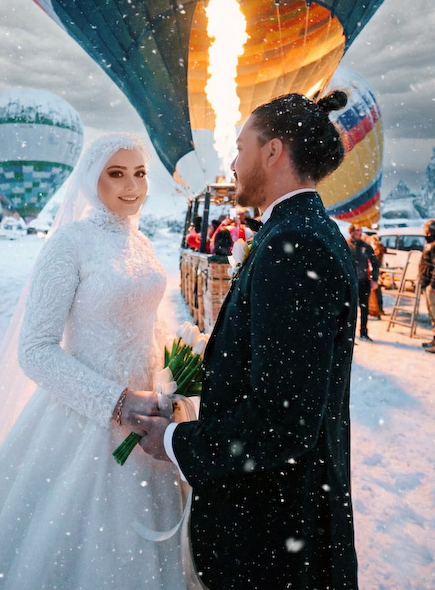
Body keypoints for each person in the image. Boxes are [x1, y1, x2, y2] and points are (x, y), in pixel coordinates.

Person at [0, 133, 187, 590]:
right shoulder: (69, 244)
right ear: (90, 181)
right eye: (116, 174)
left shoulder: (144, 244)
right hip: (85, 423)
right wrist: (114, 401)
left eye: (140, 173)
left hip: (148, 427)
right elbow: (35, 350)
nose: (131, 185)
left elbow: (149, 324)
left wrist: (169, 381)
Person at [137, 92, 359, 590]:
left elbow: (283, 420)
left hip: (271, 542)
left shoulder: (293, 244)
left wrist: (174, 441)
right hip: (288, 524)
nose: (233, 163)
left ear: (274, 151)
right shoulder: (303, 232)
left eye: (241, 148)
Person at [347, 224, 379, 341]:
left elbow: (375, 262)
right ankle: (348, 334)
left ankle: (364, 332)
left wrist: (374, 279)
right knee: (350, 309)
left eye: (361, 231)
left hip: (363, 281)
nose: (359, 233)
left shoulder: (365, 246)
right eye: (357, 231)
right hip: (350, 282)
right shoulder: (346, 245)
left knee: (364, 308)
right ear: (351, 232)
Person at [418, 218, 435, 353]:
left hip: (433, 286)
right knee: (432, 315)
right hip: (427, 284)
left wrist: (434, 285)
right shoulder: (430, 243)